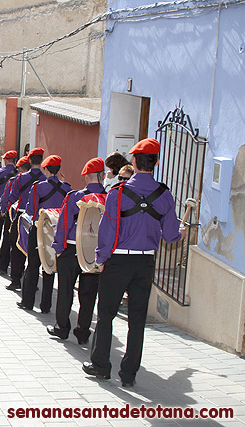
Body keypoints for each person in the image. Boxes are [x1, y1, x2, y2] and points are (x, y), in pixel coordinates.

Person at [84, 139, 184, 387]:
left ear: (135, 162)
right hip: (145, 263)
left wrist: (101, 259)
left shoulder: (117, 193)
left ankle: (101, 366)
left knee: (106, 314)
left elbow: (107, 231)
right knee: (137, 320)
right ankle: (129, 374)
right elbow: (171, 236)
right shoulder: (165, 194)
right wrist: (180, 231)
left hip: (117, 261)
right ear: (157, 163)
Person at [47, 157, 106, 345]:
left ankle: (62, 328)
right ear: (103, 176)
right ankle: (82, 332)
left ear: (86, 177)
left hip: (71, 248)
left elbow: (63, 224)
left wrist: (58, 248)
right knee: (88, 295)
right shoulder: (111, 198)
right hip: (95, 252)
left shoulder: (74, 196)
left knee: (65, 290)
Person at [19, 154, 71, 313]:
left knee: (33, 265)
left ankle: (27, 302)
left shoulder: (38, 187)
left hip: (40, 229)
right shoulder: (67, 188)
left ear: (46, 169)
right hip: (57, 231)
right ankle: (46, 306)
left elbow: (31, 211)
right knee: (50, 266)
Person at [4, 154, 43, 290]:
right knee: (35, 251)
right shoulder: (45, 179)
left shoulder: (20, 178)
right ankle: (31, 280)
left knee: (17, 248)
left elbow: (12, 196)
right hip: (40, 219)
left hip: (22, 214)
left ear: (30, 161)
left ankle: (16, 280)